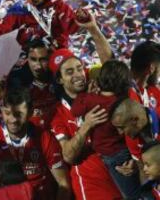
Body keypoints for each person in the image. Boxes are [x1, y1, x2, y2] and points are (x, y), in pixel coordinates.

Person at [49, 11, 124, 199]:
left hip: (123, 169)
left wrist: (92, 28)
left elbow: (110, 64)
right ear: (59, 80)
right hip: (92, 182)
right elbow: (68, 156)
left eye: (79, 68)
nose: (77, 75)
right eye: (69, 72)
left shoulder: (97, 85)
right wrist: (86, 126)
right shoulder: (58, 113)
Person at [0, 88, 71, 200]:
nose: (13, 119)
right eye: (8, 113)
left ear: (30, 112)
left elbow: (63, 184)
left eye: (19, 114)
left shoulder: (44, 138)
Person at [71, 60, 141, 198]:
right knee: (133, 193)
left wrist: (85, 95)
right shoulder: (123, 101)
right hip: (123, 152)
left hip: (106, 155)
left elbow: (75, 110)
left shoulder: (91, 100)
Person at [6, 38, 56, 129]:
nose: (38, 66)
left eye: (43, 60)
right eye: (33, 59)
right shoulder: (16, 80)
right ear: (27, 58)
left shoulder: (58, 74)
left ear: (50, 58)